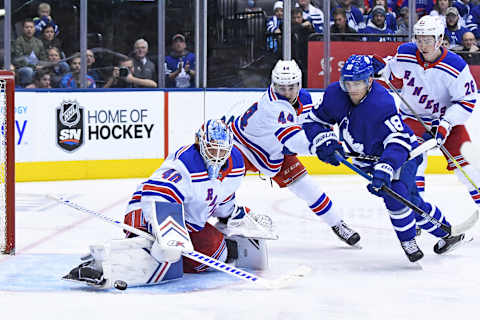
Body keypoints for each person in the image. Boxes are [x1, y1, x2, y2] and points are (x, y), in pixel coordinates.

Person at [63, 119, 276, 289]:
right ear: (200, 143)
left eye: (223, 151)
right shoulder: (185, 162)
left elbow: (222, 202)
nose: (218, 157)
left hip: (190, 224)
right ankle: (102, 264)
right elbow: (156, 195)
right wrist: (171, 234)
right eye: (212, 150)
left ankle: (166, 255)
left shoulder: (236, 164)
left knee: (217, 256)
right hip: (148, 211)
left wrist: (239, 216)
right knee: (166, 256)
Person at [303, 54, 467, 262]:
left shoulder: (381, 102)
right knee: (411, 200)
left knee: (396, 193)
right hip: (368, 157)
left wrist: (386, 166)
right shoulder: (335, 94)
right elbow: (313, 122)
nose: (352, 89)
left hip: (403, 153)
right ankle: (447, 234)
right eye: (348, 82)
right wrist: (324, 140)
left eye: (358, 83)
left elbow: (397, 141)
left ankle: (408, 240)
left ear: (369, 81)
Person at [227, 59, 361, 246]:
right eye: (282, 88)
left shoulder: (304, 97)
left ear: (299, 84)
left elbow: (309, 126)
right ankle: (221, 217)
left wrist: (325, 138)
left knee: (308, 189)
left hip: (274, 151)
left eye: (292, 87)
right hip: (241, 145)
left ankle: (337, 224)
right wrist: (318, 147)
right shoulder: (273, 106)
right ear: (273, 85)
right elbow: (294, 141)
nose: (287, 93)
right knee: (225, 184)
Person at [372, 15, 480, 212]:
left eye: (428, 40)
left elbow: (467, 101)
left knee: (468, 168)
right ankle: (417, 212)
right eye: (419, 39)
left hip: (446, 121)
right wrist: (382, 68)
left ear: (439, 39)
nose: (422, 44)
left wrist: (446, 123)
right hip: (413, 119)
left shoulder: (456, 66)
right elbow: (391, 71)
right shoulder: (406, 53)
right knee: (413, 164)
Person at [12, 19, 47, 87]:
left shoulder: (39, 42)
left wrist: (43, 65)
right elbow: (20, 59)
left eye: (31, 27)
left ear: (34, 29)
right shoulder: (18, 42)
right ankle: (27, 89)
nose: (29, 29)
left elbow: (43, 57)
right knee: (28, 71)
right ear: (23, 29)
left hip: (37, 67)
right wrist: (34, 66)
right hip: (22, 68)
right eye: (27, 27)